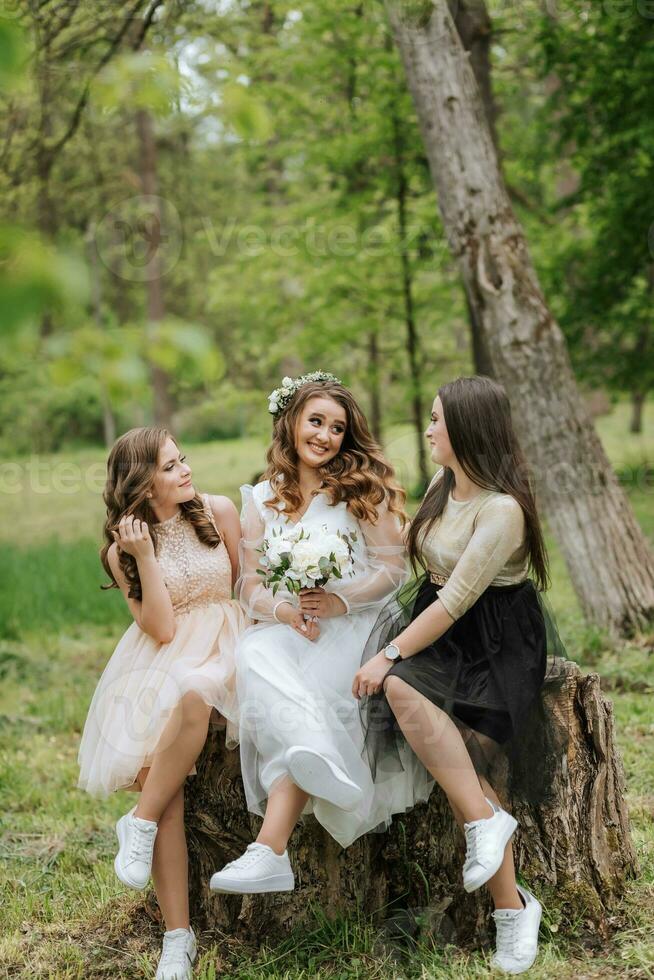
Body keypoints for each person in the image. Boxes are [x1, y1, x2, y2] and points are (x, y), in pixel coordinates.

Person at [352, 375, 562, 975]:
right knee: (405, 697)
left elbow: (460, 599)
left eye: (438, 419)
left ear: (466, 428)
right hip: (439, 624)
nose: (428, 429)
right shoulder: (444, 484)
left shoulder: (503, 510)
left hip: (494, 638)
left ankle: (511, 909)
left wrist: (388, 651)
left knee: (465, 748)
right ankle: (489, 829)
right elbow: (420, 559)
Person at [210, 373, 433, 895]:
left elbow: (392, 570)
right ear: (290, 423)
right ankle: (317, 764)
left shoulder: (360, 489)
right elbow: (249, 584)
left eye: (337, 428)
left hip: (359, 626)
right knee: (258, 648)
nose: (325, 436)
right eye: (316, 421)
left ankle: (269, 850)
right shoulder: (262, 498)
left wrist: (341, 599)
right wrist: (284, 611)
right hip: (295, 628)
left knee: (294, 685)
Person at [78, 426, 249, 980]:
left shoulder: (217, 511)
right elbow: (161, 626)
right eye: (172, 466)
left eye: (184, 459)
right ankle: (178, 938)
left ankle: (139, 821)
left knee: (198, 691)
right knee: (165, 770)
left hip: (233, 641)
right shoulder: (119, 550)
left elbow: (247, 586)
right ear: (143, 483)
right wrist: (143, 556)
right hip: (167, 656)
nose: (186, 471)